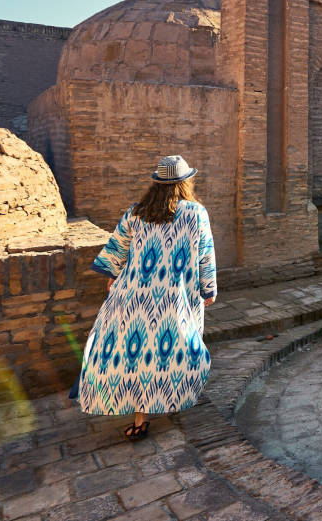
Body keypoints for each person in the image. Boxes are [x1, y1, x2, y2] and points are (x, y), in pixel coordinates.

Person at [77, 155, 217, 441]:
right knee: (170, 350)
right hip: (173, 297)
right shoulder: (195, 214)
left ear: (156, 184)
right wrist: (209, 289)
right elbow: (206, 254)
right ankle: (161, 401)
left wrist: (114, 278)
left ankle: (140, 418)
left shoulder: (136, 212)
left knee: (135, 351)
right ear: (185, 183)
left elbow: (117, 250)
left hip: (132, 295)